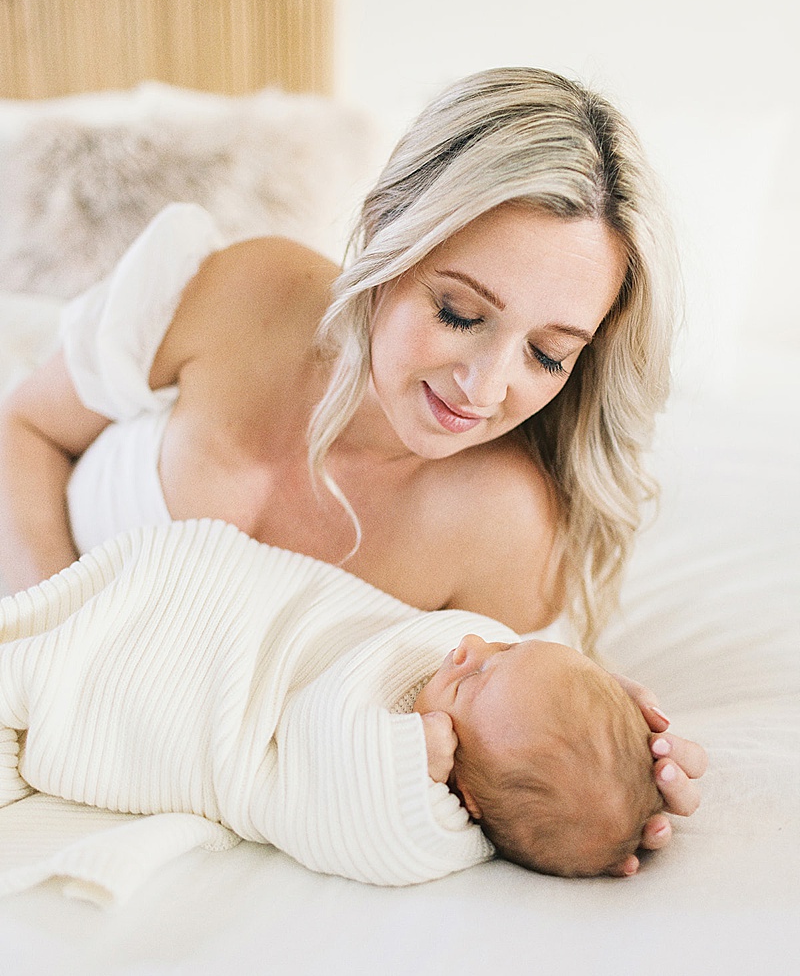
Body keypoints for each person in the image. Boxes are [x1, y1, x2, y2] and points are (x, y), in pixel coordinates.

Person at [0, 67, 706, 870]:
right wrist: (50, 657)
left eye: (548, 354)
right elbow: (24, 424)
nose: (485, 388)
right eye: (460, 312)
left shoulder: (503, 528)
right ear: (383, 233)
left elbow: (507, 761)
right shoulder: (246, 294)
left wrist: (618, 777)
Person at [0, 519, 660, 889]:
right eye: (504, 649)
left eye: (473, 679)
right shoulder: (474, 683)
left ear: (471, 796)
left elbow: (346, 801)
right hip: (208, 596)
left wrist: (407, 758)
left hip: (195, 685)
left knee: (51, 668)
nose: (467, 646)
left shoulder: (425, 829)